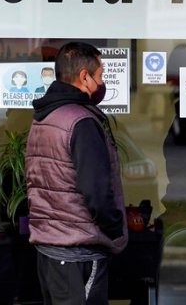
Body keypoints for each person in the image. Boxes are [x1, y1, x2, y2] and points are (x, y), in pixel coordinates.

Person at [26, 42, 127, 305]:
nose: (102, 82)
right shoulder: (81, 121)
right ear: (85, 77)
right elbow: (96, 190)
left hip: (49, 250)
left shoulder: (43, 118)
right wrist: (115, 228)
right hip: (78, 254)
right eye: (101, 75)